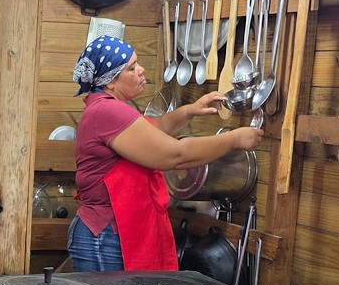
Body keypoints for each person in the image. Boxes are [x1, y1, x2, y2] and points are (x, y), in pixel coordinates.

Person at [68, 35, 264, 272]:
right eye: (131, 68)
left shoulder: (107, 106)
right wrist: (234, 139)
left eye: (137, 63)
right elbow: (175, 156)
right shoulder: (107, 110)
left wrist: (190, 111)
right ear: (110, 82)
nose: (141, 70)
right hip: (107, 235)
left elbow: (153, 130)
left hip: (115, 229)